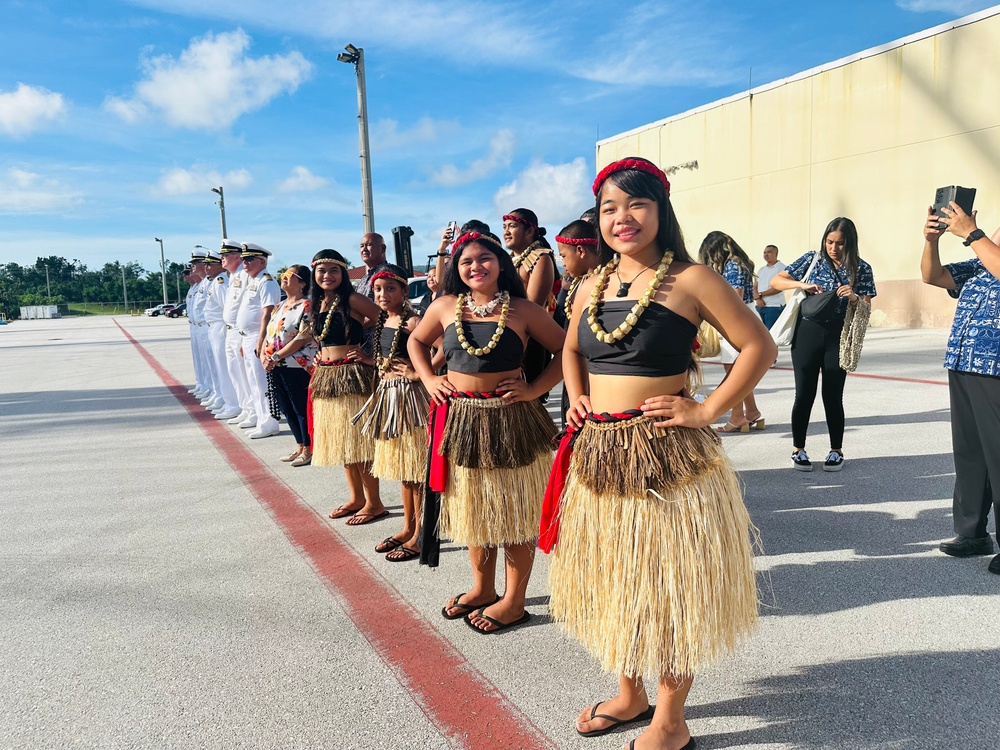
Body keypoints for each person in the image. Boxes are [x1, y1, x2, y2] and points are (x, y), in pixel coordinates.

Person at [542, 157, 772, 750]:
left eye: (637, 204)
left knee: (668, 586)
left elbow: (758, 347)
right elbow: (571, 350)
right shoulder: (589, 285)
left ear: (660, 211)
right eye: (610, 208)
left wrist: (705, 410)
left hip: (666, 458)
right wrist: (577, 395)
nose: (623, 218)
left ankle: (670, 720)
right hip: (598, 453)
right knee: (616, 579)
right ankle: (630, 694)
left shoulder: (691, 278)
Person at [408, 230, 565, 633]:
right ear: (456, 270)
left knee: (513, 511)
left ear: (501, 264)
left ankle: (513, 601)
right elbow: (415, 342)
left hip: (510, 420)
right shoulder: (444, 306)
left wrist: (533, 388)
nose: (475, 267)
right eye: (466, 262)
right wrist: (428, 378)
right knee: (476, 508)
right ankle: (482, 588)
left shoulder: (525, 310)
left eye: (484, 259)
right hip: (460, 421)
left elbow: (568, 352)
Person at [920, 202, 1000, 573]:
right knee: (970, 454)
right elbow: (932, 276)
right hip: (964, 365)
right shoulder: (980, 265)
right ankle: (972, 533)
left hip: (995, 368)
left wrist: (972, 234)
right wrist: (932, 241)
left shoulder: (988, 255)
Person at [770, 218, 876, 471]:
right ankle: (798, 449)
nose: (834, 247)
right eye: (830, 241)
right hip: (807, 331)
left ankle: (836, 451)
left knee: (833, 395)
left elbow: (867, 306)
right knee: (803, 394)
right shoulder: (813, 259)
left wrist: (852, 298)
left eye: (840, 243)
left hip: (837, 334)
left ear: (850, 243)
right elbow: (776, 281)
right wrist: (802, 284)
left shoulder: (861, 268)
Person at [353, 265, 434, 562]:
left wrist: (419, 374)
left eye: (390, 288)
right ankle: (407, 527)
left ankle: (420, 533)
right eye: (377, 289)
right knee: (404, 470)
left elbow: (441, 349)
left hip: (411, 400)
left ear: (403, 291)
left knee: (415, 470)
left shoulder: (414, 321)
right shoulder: (383, 321)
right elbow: (385, 360)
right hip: (389, 399)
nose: (382, 294)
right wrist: (369, 361)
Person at [309, 249, 387, 525]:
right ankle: (356, 498)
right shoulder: (317, 302)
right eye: (322, 270)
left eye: (333, 270)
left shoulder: (352, 298)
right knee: (343, 443)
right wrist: (321, 354)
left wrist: (369, 355)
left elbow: (385, 318)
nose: (327, 276)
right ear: (314, 274)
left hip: (351, 375)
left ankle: (375, 503)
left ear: (343, 273)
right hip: (327, 376)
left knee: (358, 444)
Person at [698, 231, 766, 433]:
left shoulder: (732, 265)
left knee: (734, 372)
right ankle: (752, 412)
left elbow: (736, 295)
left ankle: (737, 417)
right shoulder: (741, 262)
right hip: (747, 314)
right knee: (740, 369)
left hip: (735, 318)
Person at [262, 265, 317, 467]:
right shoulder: (280, 306)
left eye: (289, 275)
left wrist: (276, 356)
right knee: (287, 408)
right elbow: (270, 333)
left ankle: (310, 448)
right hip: (276, 364)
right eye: (283, 274)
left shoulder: (307, 306)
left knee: (300, 406)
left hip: (297, 365)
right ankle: (300, 445)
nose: (283, 278)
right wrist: (263, 355)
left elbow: (303, 336)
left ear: (302, 283)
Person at [235, 243, 282, 438]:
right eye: (243, 259)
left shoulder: (267, 281)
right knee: (253, 381)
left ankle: (269, 421)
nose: (244, 263)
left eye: (249, 259)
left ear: (262, 261)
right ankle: (261, 419)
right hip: (248, 337)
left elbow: (268, 313)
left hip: (258, 336)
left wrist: (261, 340)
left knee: (262, 382)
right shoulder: (252, 281)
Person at [201, 249, 239, 417]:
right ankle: (225, 400)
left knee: (225, 368)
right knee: (218, 367)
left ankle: (231, 404)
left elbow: (227, 308)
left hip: (221, 327)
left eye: (210, 263)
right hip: (213, 327)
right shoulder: (215, 281)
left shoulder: (221, 281)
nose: (206, 267)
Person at [219, 239, 255, 424]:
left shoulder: (245, 275)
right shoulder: (233, 277)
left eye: (225, 256)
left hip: (241, 332)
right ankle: (245, 408)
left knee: (246, 374)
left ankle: (254, 411)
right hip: (230, 331)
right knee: (235, 372)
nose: (222, 259)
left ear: (236, 257)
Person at [754, 244, 786, 329]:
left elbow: (779, 288)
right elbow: (755, 284)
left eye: (769, 252)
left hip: (774, 307)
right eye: (764, 252)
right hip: (759, 307)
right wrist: (758, 298)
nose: (766, 254)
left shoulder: (782, 268)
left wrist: (760, 295)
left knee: (771, 334)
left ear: (776, 254)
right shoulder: (761, 269)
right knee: (759, 332)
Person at [353, 232, 391, 300]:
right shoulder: (364, 278)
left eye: (369, 245)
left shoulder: (389, 275)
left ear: (382, 249)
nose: (364, 249)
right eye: (362, 246)